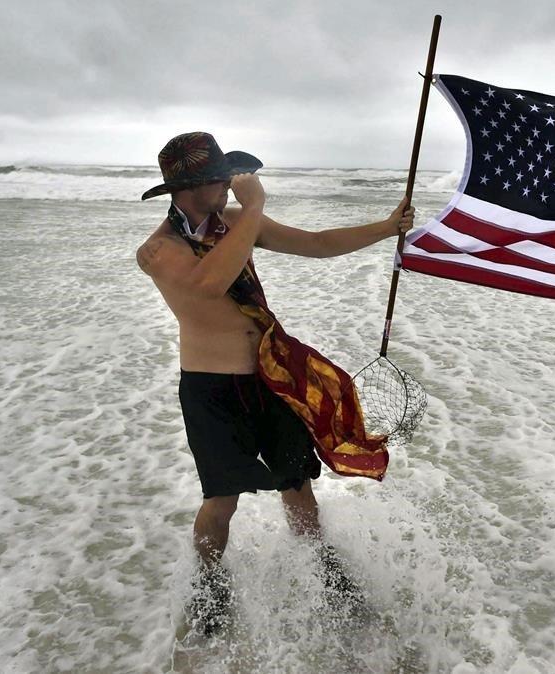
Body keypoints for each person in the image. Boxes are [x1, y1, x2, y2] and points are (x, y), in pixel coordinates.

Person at [135, 132, 413, 635]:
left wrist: (387, 228)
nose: (231, 186)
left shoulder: (235, 223)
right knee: (222, 498)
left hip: (268, 376)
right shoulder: (158, 251)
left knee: (296, 481)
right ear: (195, 185)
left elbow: (317, 243)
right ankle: (210, 582)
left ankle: (325, 569)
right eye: (222, 178)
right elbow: (210, 283)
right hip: (211, 388)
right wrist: (256, 206)